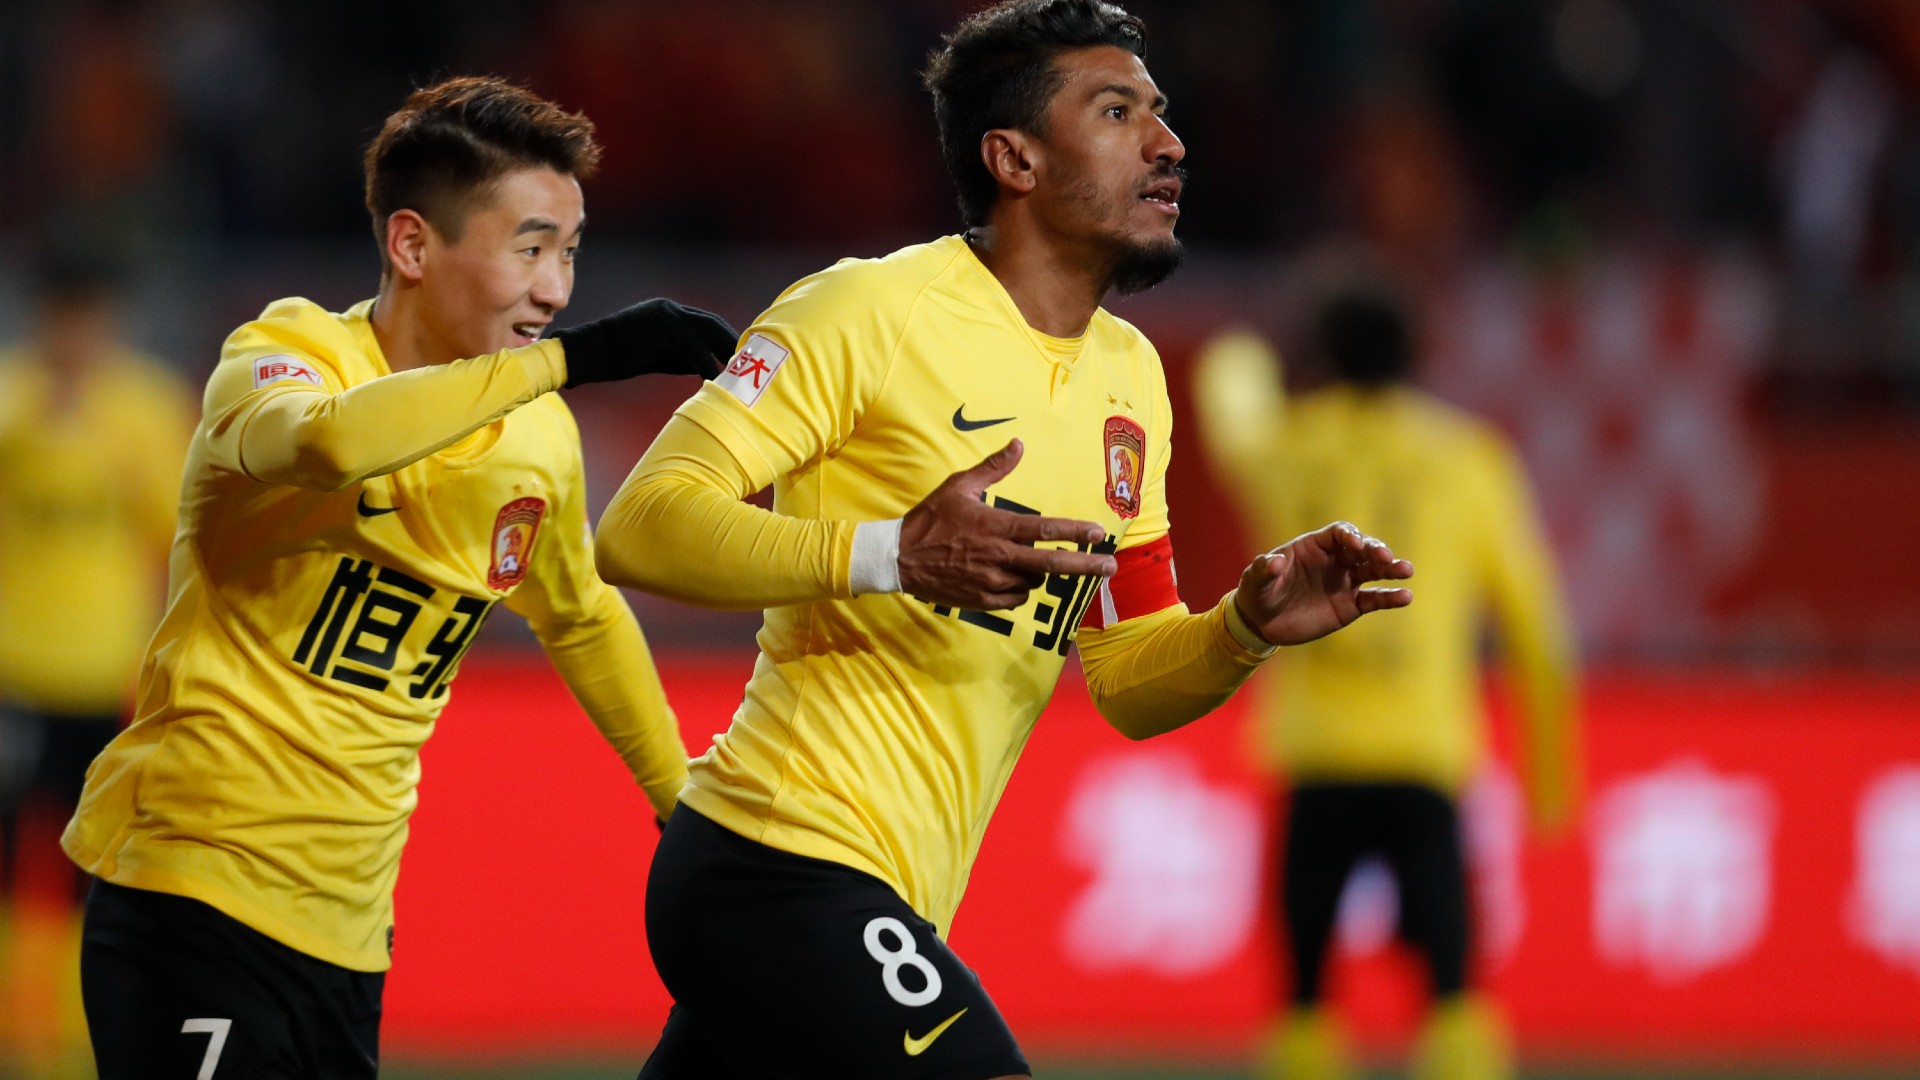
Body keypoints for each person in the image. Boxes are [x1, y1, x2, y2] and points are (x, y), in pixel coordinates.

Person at [592, 4, 1416, 1078]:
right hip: (775, 856)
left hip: (884, 894)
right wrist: (891, 551)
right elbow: (641, 526)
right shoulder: (868, 311)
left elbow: (1126, 673)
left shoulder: (1131, 381)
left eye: (1159, 114)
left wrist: (1242, 630)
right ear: (1014, 157)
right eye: (1117, 112)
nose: (1168, 143)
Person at [61, 76, 738, 1080]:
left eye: (570, 252)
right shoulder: (289, 353)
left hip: (349, 934)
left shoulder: (535, 439)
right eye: (530, 246)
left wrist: (672, 800)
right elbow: (326, 449)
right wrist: (577, 361)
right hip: (191, 895)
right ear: (413, 246)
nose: (555, 289)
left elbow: (580, 612)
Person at [1192, 285, 1580, 1080]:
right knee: (1455, 993)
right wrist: (1550, 779)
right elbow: (1539, 632)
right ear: (1418, 358)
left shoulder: (1287, 447)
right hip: (1424, 753)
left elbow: (1226, 389)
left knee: (1303, 998)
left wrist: (1260, 341)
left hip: (1317, 751)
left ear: (1322, 357)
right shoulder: (1469, 458)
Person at [0, 247, 195, 1077]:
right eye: (65, 316)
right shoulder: (10, 397)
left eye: (92, 316)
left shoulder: (148, 406)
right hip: (12, 669)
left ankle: (82, 1034)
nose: (78, 334)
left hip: (109, 668)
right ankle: (19, 1028)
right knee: (9, 852)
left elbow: (179, 526)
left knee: (97, 858)